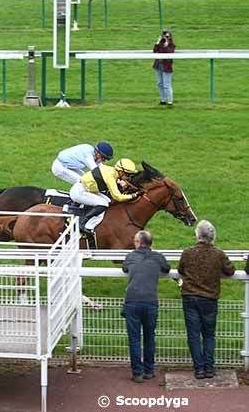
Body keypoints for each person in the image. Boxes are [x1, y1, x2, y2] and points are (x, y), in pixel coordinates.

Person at [178, 220, 235, 379]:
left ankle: (199, 369)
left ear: (197, 235)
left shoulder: (187, 252)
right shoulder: (218, 254)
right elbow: (230, 271)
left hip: (190, 297)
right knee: (209, 335)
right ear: (212, 236)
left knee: (194, 335)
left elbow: (180, 269)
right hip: (209, 299)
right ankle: (209, 368)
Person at [122, 230, 170, 383]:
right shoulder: (158, 257)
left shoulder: (130, 257)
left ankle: (137, 373)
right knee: (150, 337)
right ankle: (149, 370)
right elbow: (167, 268)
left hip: (132, 301)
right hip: (150, 302)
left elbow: (125, 268)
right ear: (150, 243)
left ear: (138, 243)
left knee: (134, 339)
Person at [69, 158, 142, 235]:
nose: (128, 177)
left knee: (107, 200)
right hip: (79, 192)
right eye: (127, 174)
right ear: (120, 172)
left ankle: (89, 226)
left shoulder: (111, 171)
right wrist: (133, 195)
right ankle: (82, 222)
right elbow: (118, 197)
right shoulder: (110, 177)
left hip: (84, 189)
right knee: (103, 203)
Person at [153, 29, 176, 106]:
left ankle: (170, 101)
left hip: (166, 67)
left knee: (167, 85)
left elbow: (169, 53)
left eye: (167, 36)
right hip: (158, 65)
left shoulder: (172, 45)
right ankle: (163, 100)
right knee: (160, 83)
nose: (165, 38)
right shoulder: (160, 43)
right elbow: (154, 50)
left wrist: (166, 45)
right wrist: (157, 42)